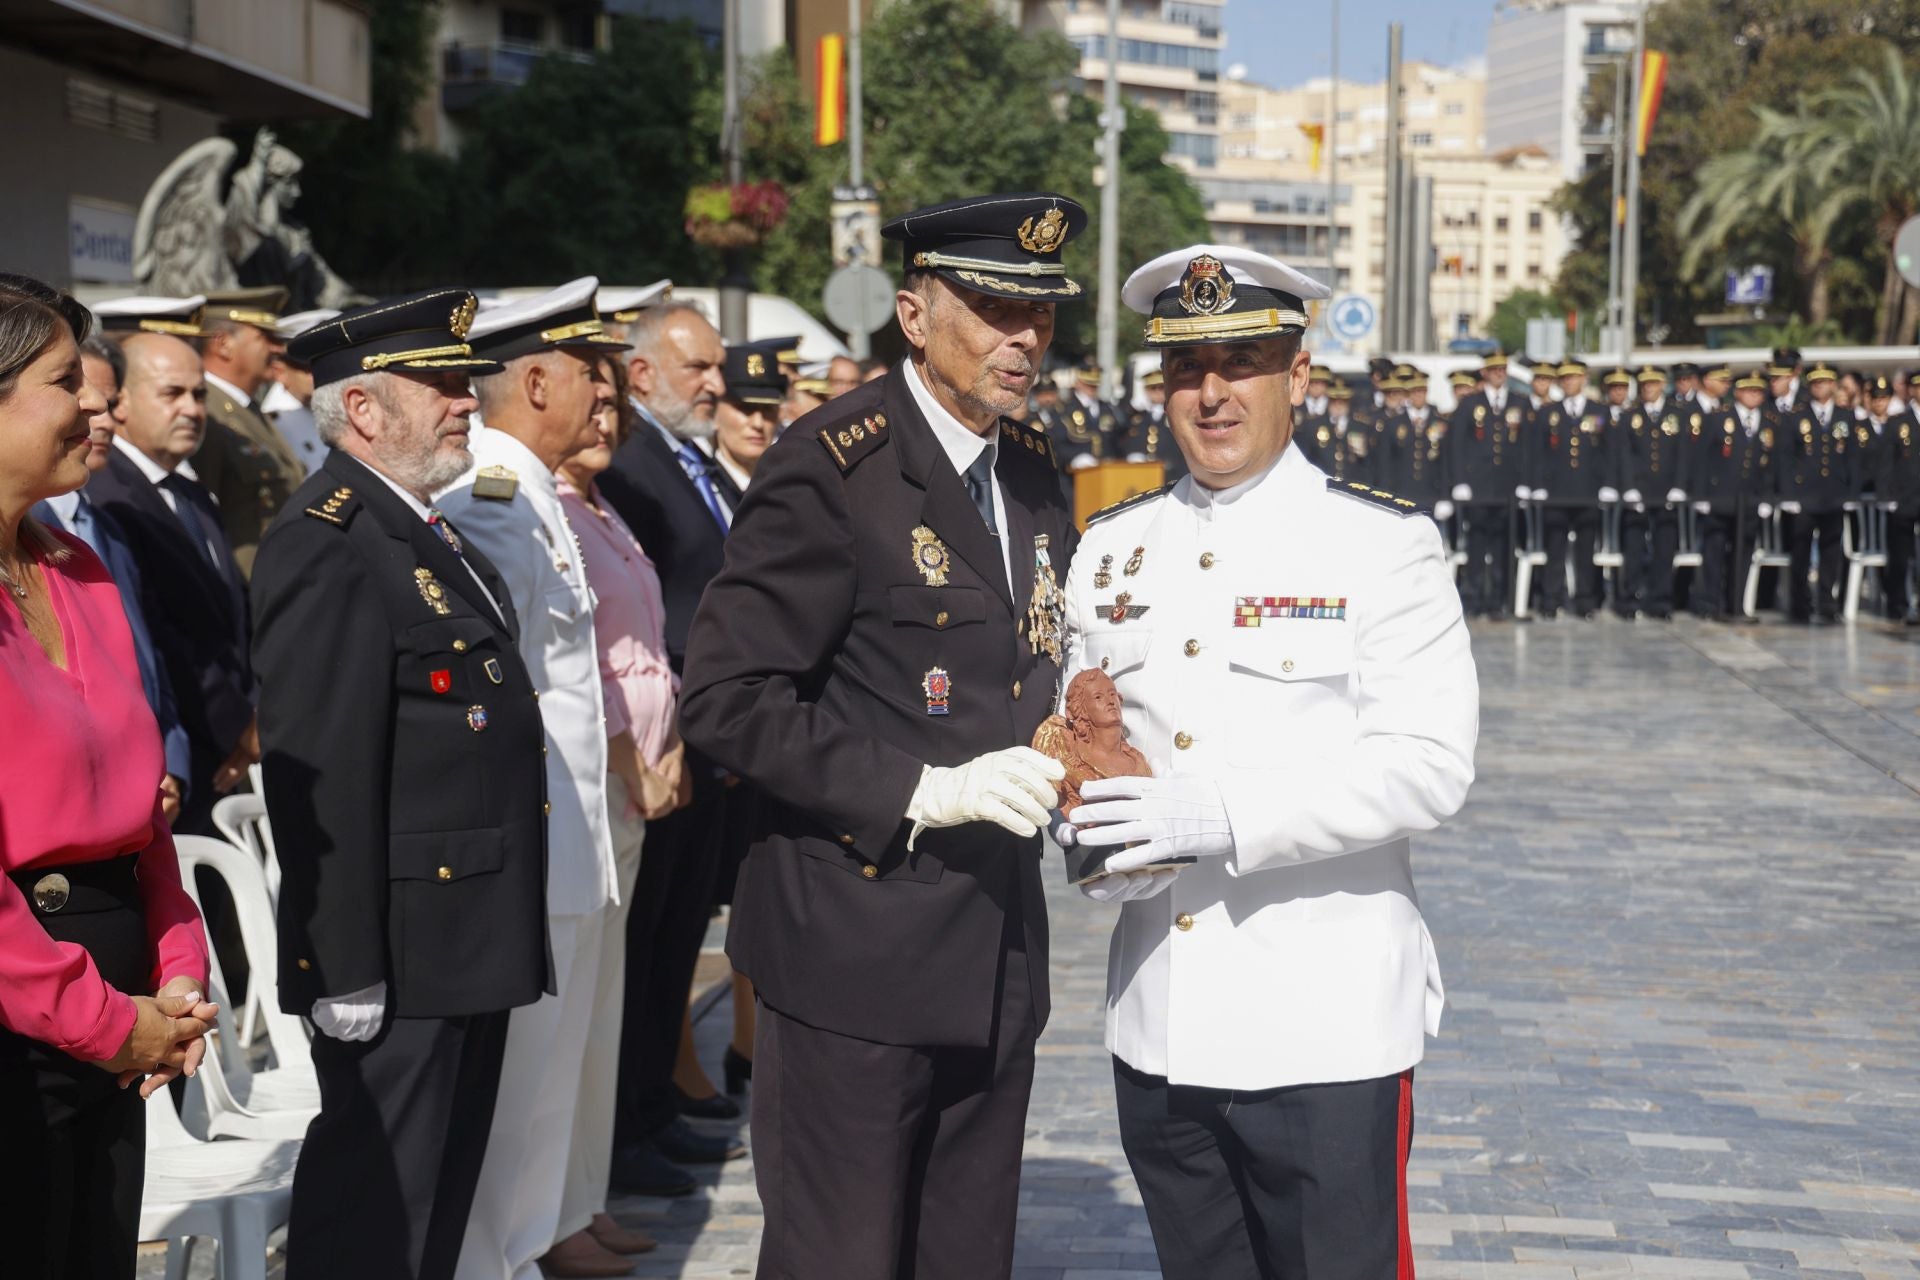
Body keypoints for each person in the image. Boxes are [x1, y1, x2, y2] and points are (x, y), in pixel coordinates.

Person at [678, 191, 1086, 1279]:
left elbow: (1036, 661)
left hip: (994, 945)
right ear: (913, 314)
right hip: (853, 948)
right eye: (996, 309)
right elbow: (725, 694)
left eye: (1040, 315)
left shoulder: (1038, 471)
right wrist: (921, 787)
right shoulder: (833, 467)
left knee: (965, 1257)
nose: (1024, 339)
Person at [1057, 244, 1477, 1280]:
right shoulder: (1112, 551)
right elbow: (1090, 752)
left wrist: (1219, 816)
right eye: (1187, 369)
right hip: (1158, 1025)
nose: (1211, 392)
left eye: (1241, 361)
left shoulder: (1380, 542)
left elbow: (1430, 761)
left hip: (1322, 1029)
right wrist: (1094, 828)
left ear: (1297, 376)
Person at [251, 289, 550, 1280]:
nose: (466, 402)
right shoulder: (330, 536)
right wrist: (344, 965)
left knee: (433, 1208)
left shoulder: (423, 529)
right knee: (372, 1221)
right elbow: (322, 768)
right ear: (365, 411)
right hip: (401, 951)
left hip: (463, 935)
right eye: (440, 385)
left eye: (464, 382)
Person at [0, 271, 216, 1280]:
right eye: (63, 382)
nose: (99, 401)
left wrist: (177, 973)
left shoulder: (73, 566)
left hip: (119, 1025)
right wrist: (108, 1020)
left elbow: (144, 814)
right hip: (27, 1026)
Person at [434, 278, 625, 1280]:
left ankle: (523, 1249)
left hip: (571, 848)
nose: (604, 391)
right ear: (537, 377)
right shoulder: (492, 499)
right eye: (588, 371)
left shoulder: (536, 494)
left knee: (548, 1095)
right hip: (533, 851)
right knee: (514, 1101)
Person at [594, 298, 744, 1194]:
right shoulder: (635, 465)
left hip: (696, 732)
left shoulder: (681, 456)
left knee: (677, 936)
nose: (716, 385)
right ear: (642, 371)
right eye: (699, 368)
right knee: (647, 941)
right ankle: (631, 1118)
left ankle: (654, 1101)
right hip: (657, 742)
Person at [548, 359, 681, 1273]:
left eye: (614, 405)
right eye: (591, 404)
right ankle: (553, 1219)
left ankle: (581, 1203)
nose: (607, 419)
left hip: (635, 785)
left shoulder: (601, 506)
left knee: (602, 1015)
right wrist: (639, 755)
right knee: (567, 1023)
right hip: (600, 782)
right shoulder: (542, 508)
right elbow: (577, 661)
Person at [88, 326, 256, 833]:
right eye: (172, 393)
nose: (192, 409)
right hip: (180, 753)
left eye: (200, 394)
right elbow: (159, 634)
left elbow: (232, 625)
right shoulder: (105, 491)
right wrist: (237, 730)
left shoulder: (191, 492)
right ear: (120, 403)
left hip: (228, 749)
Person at [33, 333, 192, 821]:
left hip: (152, 789)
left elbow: (147, 661)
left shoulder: (109, 532)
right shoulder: (29, 531)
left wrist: (173, 761)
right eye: (73, 390)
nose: (99, 416)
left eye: (110, 400)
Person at [190, 287, 307, 577]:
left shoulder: (248, 408)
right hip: (247, 581)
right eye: (264, 337)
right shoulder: (208, 413)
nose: (278, 348)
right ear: (223, 344)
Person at [1773, 365, 1857, 622]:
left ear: (1833, 385)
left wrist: (1850, 492)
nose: (1821, 387)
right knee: (1800, 551)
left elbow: (1853, 458)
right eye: (1816, 383)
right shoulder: (1796, 417)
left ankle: (1826, 603)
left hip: (1833, 494)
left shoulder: (1845, 416)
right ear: (1809, 386)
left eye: (1826, 382)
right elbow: (1785, 458)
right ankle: (1800, 604)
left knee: (1831, 551)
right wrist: (1788, 495)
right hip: (1804, 496)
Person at [1529, 361, 1611, 619]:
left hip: (1588, 491)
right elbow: (1537, 452)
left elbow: (1608, 452)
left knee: (1586, 551)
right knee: (1555, 550)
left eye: (1574, 378)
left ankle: (1585, 602)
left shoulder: (1598, 411)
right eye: (1564, 379)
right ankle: (1551, 600)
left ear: (1584, 379)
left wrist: (1607, 483)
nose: (1569, 382)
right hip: (1557, 492)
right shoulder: (1548, 413)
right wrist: (1538, 485)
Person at [1617, 367, 1688, 620]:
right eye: (1644, 384)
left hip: (1666, 491)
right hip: (1639, 491)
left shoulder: (1676, 415)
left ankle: (1660, 600)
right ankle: (1629, 599)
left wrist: (1679, 485)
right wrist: (1628, 488)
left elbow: (1682, 454)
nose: (1648, 387)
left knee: (1664, 548)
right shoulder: (1629, 416)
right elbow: (1624, 456)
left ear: (1662, 384)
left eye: (1653, 383)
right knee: (1634, 548)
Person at [260, 308, 341, 477]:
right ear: (280, 372)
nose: (322, 373)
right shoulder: (272, 425)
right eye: (308, 369)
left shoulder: (337, 408)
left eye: (326, 364)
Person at [707, 338, 785, 505]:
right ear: (713, 412)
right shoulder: (704, 491)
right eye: (745, 408)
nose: (758, 423)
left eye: (768, 410)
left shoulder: (786, 488)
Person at [1868, 375, 1920, 623]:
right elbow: (1885, 463)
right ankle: (1897, 605)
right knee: (1900, 556)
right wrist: (1885, 495)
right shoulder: (1899, 422)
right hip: (1904, 498)